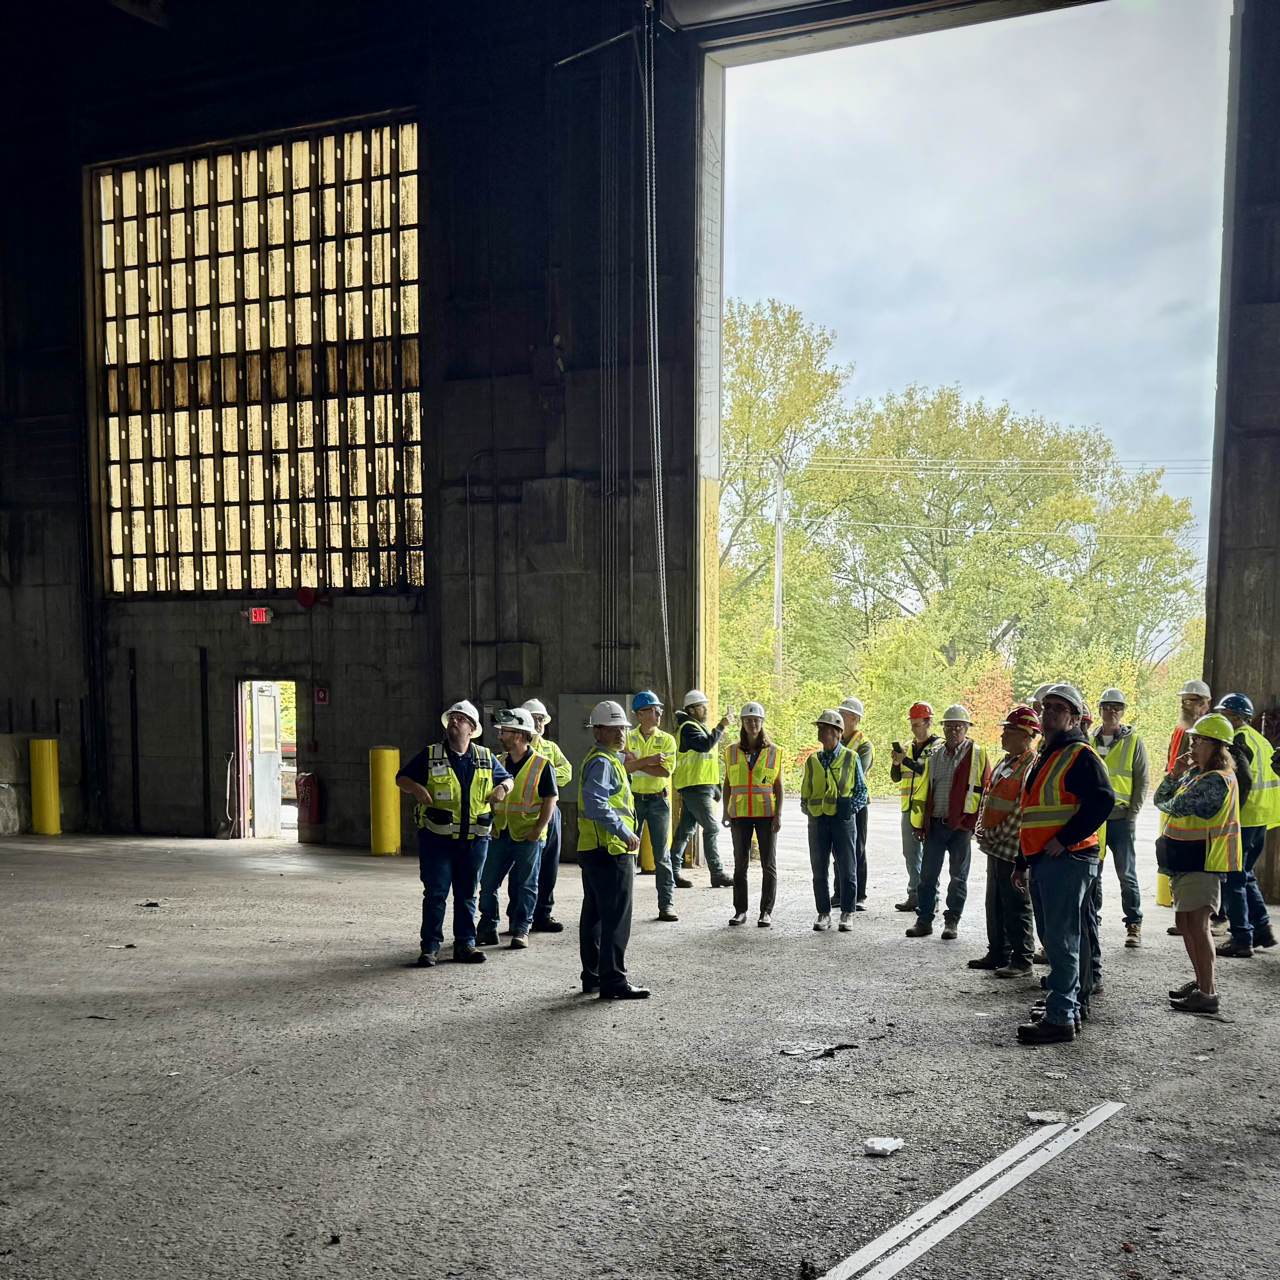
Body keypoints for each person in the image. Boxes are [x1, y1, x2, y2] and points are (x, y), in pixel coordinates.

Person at [1012, 685, 1113, 1044]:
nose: (1051, 712)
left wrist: (1065, 839)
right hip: (1046, 860)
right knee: (1058, 939)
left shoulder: (1078, 755)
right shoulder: (1048, 755)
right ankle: (1065, 1006)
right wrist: (1022, 861)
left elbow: (1103, 802)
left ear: (1074, 717)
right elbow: (1033, 813)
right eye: (1047, 707)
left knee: (1062, 940)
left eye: (1060, 708)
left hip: (1067, 859)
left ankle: (1061, 1017)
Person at [396, 699, 513, 966]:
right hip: (437, 840)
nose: (454, 722)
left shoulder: (485, 757)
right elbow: (401, 778)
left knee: (467, 894)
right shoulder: (431, 754)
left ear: (471, 729)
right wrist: (415, 788)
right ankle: (430, 947)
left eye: (460, 719)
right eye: (452, 718)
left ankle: (465, 945)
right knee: (436, 893)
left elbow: (508, 778)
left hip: (474, 841)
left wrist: (502, 788)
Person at [1155, 713, 1244, 1014]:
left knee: (1197, 924)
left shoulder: (1215, 781)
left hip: (1204, 860)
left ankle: (1207, 993)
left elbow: (1175, 805)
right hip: (1187, 860)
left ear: (1217, 746)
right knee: (1185, 923)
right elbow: (1161, 798)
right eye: (1193, 739)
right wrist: (1174, 774)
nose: (1192, 745)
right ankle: (1201, 981)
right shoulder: (1196, 775)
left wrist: (1171, 793)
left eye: (1199, 740)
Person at [578, 700, 648, 1000]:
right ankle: (614, 980)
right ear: (598, 731)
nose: (621, 733)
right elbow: (596, 803)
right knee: (616, 917)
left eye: (623, 728)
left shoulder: (604, 759)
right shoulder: (604, 762)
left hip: (595, 849)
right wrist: (624, 831)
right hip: (611, 850)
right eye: (614, 728)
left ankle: (593, 976)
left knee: (594, 916)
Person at [902, 704, 991, 941]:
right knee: (927, 877)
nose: (953, 731)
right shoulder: (935, 755)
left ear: (967, 728)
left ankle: (952, 922)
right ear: (943, 728)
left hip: (961, 826)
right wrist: (920, 824)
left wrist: (976, 824)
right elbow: (925, 791)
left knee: (958, 877)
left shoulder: (978, 754)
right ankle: (924, 921)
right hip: (935, 824)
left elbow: (986, 791)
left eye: (958, 727)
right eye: (949, 727)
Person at [476, 708, 557, 950]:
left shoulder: (542, 765)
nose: (500, 734)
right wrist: (490, 823)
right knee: (488, 883)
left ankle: (522, 928)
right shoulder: (498, 762)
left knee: (527, 884)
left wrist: (538, 830)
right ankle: (488, 927)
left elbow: (550, 800)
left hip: (528, 835)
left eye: (506, 731)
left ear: (520, 735)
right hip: (500, 832)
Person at [969, 707, 1039, 977]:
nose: (1003, 735)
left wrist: (993, 836)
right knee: (995, 902)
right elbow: (988, 800)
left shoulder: (1031, 764)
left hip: (1012, 848)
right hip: (995, 846)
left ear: (1027, 735)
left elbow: (1023, 810)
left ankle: (1022, 959)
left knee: (1016, 903)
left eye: (1009, 731)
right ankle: (998, 952)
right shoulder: (1005, 762)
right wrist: (981, 829)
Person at [1212, 694, 1277, 957]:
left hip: (1245, 818)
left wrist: (1232, 812)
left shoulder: (1237, 740)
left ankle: (1241, 938)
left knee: (1233, 878)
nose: (1221, 718)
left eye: (1225, 714)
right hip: (1262, 817)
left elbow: (1245, 781)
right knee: (1246, 874)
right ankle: (1262, 928)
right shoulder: (1260, 740)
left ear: (1238, 718)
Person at [1092, 688, 1149, 948]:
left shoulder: (1133, 741)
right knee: (1094, 872)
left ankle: (1134, 924)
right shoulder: (1089, 738)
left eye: (1117, 707)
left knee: (1126, 874)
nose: (1111, 711)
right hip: (1095, 819)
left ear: (1123, 711)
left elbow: (1142, 780)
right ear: (1100, 709)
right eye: (1107, 706)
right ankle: (1093, 919)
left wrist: (1132, 815)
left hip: (1121, 818)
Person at [801, 710, 867, 931]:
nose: (820, 732)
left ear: (837, 733)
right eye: (819, 728)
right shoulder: (812, 760)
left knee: (847, 868)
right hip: (818, 821)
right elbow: (805, 792)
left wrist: (849, 812)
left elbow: (861, 792)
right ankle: (823, 913)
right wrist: (809, 810)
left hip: (842, 822)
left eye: (824, 728)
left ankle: (848, 912)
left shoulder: (851, 757)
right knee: (819, 870)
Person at [721, 702, 783, 927]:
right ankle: (740, 911)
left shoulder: (774, 751)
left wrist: (779, 814)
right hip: (739, 813)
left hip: (766, 813)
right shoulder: (730, 751)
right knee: (740, 864)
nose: (753, 723)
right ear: (743, 723)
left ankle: (766, 911)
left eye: (756, 720)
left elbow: (778, 785)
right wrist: (726, 810)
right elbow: (727, 782)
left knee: (768, 863)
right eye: (748, 720)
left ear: (762, 723)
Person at [1163, 679, 1214, 936]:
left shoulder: (1212, 733)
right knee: (1176, 864)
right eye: (1184, 700)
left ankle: (1213, 920)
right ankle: (1182, 917)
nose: (1186, 706)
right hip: (1177, 801)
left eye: (1191, 701)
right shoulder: (1181, 730)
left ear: (1206, 703)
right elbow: (1172, 761)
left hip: (1198, 814)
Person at [624, 691, 680, 922]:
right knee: (628, 854)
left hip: (658, 801)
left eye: (659, 710)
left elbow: (665, 771)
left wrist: (636, 763)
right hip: (633, 801)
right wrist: (648, 761)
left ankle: (666, 905)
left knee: (662, 856)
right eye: (653, 710)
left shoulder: (667, 739)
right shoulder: (627, 737)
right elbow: (623, 768)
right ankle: (624, 904)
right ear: (640, 714)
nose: (659, 713)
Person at [670, 690, 734, 889]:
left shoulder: (696, 727)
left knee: (685, 830)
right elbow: (705, 746)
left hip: (698, 786)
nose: (705, 709)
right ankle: (717, 873)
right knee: (712, 828)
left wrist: (714, 788)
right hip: (695, 787)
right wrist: (721, 726)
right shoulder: (689, 728)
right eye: (701, 706)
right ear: (691, 710)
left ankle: (671, 872)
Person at [520, 698, 574, 934]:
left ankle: (543, 913)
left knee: (549, 864)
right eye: (535, 718)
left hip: (550, 809)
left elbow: (567, 772)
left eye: (542, 719)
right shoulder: (517, 747)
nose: (539, 723)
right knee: (524, 867)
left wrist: (543, 777)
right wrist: (545, 777)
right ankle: (520, 916)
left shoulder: (551, 748)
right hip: (524, 812)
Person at [889, 703, 938, 912]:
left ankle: (931, 898)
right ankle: (914, 895)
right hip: (908, 807)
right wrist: (896, 762)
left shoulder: (937, 747)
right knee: (910, 854)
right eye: (912, 724)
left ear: (928, 722)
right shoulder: (908, 747)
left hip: (928, 809)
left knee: (929, 855)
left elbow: (925, 770)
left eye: (917, 724)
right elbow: (896, 778)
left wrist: (905, 760)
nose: (914, 729)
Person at [839, 696, 875, 911]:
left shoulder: (864, 745)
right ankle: (839, 893)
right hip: (838, 801)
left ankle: (859, 895)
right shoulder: (837, 740)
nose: (840, 719)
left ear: (854, 718)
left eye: (843, 715)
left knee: (857, 847)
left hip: (858, 803)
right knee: (839, 849)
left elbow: (856, 772)